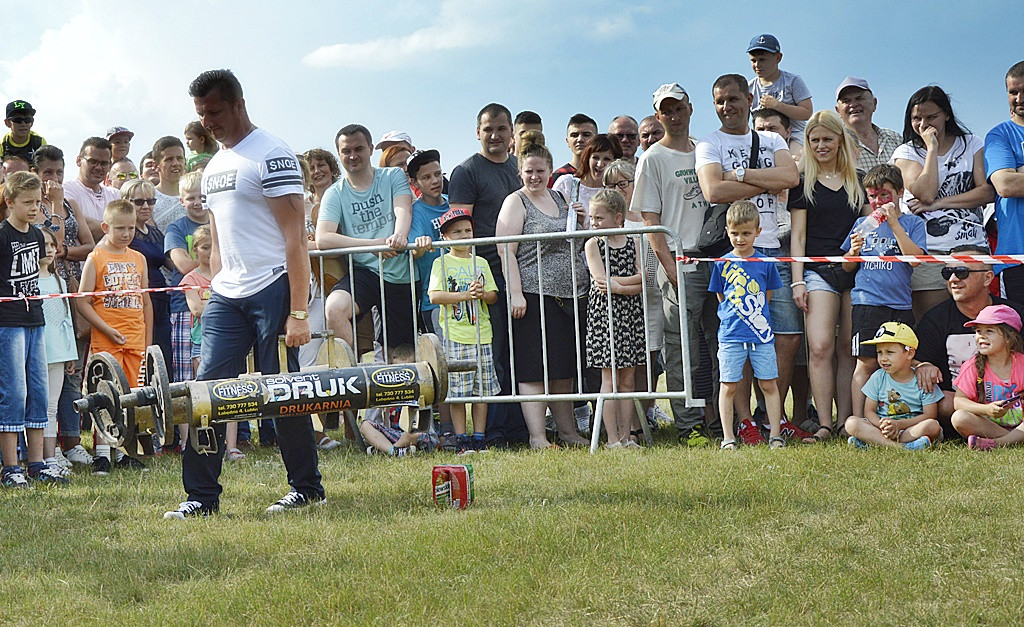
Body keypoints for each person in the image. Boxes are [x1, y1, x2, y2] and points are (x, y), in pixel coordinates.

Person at [165, 68, 323, 519]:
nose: (207, 122)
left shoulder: (271, 154)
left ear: (238, 104)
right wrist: (214, 288)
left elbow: (296, 238)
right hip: (227, 295)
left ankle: (307, 487)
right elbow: (214, 238)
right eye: (200, 114)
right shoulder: (213, 166)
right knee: (206, 392)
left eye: (214, 112)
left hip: (273, 286)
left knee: (282, 392)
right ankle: (200, 497)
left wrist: (298, 310)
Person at [696, 74, 801, 443]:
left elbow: (790, 176)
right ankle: (743, 421)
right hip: (733, 251)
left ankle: (772, 415)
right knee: (736, 337)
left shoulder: (771, 138)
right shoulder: (708, 143)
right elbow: (713, 189)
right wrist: (766, 181)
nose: (728, 107)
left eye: (734, 99)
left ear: (748, 99)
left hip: (772, 246)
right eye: (720, 101)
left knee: (784, 335)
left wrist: (739, 174)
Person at [496, 130, 590, 449]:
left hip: (569, 295)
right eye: (529, 170)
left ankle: (567, 432)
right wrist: (516, 293)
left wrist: (581, 221)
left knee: (563, 370)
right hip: (534, 295)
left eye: (540, 171)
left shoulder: (562, 199)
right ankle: (537, 436)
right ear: (520, 172)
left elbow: (575, 243)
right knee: (534, 368)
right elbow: (505, 250)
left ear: (550, 172)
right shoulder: (516, 202)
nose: (534, 176)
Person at [635, 82, 716, 446]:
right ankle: (688, 425)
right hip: (680, 262)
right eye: (665, 110)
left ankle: (720, 419)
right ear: (658, 115)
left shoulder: (704, 150)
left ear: (690, 109)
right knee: (683, 350)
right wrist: (670, 267)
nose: (673, 115)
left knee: (719, 346)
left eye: (678, 108)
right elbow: (651, 222)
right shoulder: (652, 158)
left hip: (716, 258)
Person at [449, 102, 528, 447]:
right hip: (484, 279)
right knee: (494, 355)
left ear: (512, 133)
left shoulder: (519, 167)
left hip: (521, 272)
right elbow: (457, 227)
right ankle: (494, 431)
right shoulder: (466, 171)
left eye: (501, 129)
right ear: (477, 132)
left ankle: (520, 426)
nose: (494, 135)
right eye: (488, 129)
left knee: (519, 351)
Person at [788, 110, 867, 440]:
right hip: (817, 271)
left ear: (839, 141)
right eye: (814, 139)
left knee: (849, 350)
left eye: (827, 139)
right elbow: (798, 236)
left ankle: (845, 421)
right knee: (819, 347)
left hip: (856, 271)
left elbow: (869, 225)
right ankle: (823, 423)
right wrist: (797, 279)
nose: (821, 145)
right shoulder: (801, 182)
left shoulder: (858, 181)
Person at [892, 86, 994, 320]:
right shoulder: (906, 152)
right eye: (917, 118)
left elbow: (987, 192)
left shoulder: (971, 143)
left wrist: (940, 204)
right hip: (930, 251)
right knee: (932, 323)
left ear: (946, 114)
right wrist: (932, 149)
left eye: (931, 117)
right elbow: (925, 193)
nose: (924, 124)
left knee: (978, 321)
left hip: (972, 247)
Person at [317, 123, 416, 355]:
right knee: (334, 308)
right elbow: (323, 238)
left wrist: (399, 235)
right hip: (365, 272)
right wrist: (373, 246)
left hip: (400, 272)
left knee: (399, 354)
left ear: (371, 148)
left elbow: (403, 209)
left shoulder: (393, 176)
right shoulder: (334, 193)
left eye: (358, 148)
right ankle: (351, 379)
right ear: (339, 154)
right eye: (346, 151)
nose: (352, 155)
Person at [842, 164, 927, 419]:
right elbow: (846, 266)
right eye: (872, 196)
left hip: (900, 304)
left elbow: (915, 259)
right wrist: (853, 252)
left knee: (902, 362)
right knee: (866, 362)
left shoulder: (913, 223)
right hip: (867, 302)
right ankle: (857, 419)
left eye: (884, 195)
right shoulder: (862, 223)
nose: (878, 201)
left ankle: (900, 415)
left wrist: (894, 224)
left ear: (900, 192)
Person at [913, 245, 1024, 440]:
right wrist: (923, 365)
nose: (953, 279)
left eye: (962, 272)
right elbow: (915, 360)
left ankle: (999, 438)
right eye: (947, 272)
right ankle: (1010, 438)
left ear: (987, 278)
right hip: (964, 404)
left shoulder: (1014, 315)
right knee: (941, 402)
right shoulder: (935, 319)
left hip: (1015, 402)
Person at [0, 171, 67, 486]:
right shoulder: (1, 236)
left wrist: (54, 206)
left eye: (38, 202)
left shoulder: (39, 236)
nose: (33, 208)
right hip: (8, 322)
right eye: (27, 202)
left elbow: (56, 243)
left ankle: (38, 463)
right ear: (9, 202)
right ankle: (11, 466)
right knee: (14, 392)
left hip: (35, 320)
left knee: (38, 390)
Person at [78, 199, 152, 475]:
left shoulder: (138, 258)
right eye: (120, 228)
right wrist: (106, 329)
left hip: (134, 339)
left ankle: (124, 452)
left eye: (131, 228)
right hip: (106, 341)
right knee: (104, 397)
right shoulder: (96, 258)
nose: (126, 234)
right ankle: (101, 454)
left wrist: (147, 339)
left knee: (131, 397)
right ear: (106, 227)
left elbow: (146, 301)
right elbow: (82, 302)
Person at [33, 145, 94, 466]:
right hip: (41, 289)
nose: (54, 178)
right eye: (48, 172)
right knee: (43, 373)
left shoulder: (70, 205)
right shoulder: (34, 207)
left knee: (72, 369)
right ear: (35, 173)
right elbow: (49, 241)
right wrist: (53, 203)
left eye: (59, 172)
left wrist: (65, 253)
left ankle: (71, 443)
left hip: (70, 287)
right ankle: (47, 446)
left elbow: (89, 245)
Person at [709, 201, 785, 450]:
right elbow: (721, 295)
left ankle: (775, 434)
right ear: (727, 231)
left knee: (768, 383)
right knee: (728, 385)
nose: (740, 239)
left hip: (762, 336)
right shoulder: (721, 263)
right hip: (731, 335)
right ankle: (728, 437)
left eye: (746, 233)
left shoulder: (765, 262)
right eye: (734, 233)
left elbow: (768, 295)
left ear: (758, 232)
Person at [428, 207, 500, 454]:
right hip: (456, 337)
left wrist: (483, 294)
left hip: (483, 334)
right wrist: (463, 295)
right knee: (458, 393)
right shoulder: (441, 262)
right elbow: (435, 296)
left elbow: (493, 296)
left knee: (482, 391)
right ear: (445, 237)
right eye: (456, 232)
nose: (463, 235)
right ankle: (461, 439)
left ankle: (479, 438)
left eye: (467, 230)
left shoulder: (480, 262)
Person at [605, 159, 668, 429]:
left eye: (623, 183)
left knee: (649, 360)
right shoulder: (608, 223)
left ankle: (644, 419)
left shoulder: (648, 216)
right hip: (621, 305)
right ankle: (626, 424)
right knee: (627, 364)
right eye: (610, 185)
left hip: (652, 297)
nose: (618, 190)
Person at [584, 189, 644, 449]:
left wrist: (619, 286)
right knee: (609, 379)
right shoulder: (593, 244)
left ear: (618, 217)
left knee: (627, 379)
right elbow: (600, 281)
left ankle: (626, 435)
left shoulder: (634, 241)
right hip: (604, 316)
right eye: (592, 218)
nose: (594, 223)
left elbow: (644, 279)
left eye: (599, 218)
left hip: (629, 314)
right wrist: (621, 285)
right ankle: (611, 438)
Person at [179, 225, 241, 459]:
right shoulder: (191, 279)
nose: (210, 251)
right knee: (202, 392)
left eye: (214, 246)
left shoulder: (227, 275)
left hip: (229, 339)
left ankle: (231, 445)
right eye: (205, 247)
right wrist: (223, 307)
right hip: (201, 341)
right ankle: (197, 442)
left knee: (230, 391)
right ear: (195, 250)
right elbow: (196, 309)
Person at [846, 323, 942, 450]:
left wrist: (898, 425)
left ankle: (874, 442)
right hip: (882, 429)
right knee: (852, 423)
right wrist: (884, 427)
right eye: (879, 352)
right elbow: (869, 411)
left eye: (889, 352)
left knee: (932, 426)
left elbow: (930, 415)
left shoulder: (922, 380)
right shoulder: (878, 377)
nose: (883, 358)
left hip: (910, 429)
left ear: (909, 353)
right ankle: (902, 447)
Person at [122, 179, 172, 404]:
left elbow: (170, 263)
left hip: (161, 300)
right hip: (137, 302)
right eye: (139, 201)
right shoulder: (125, 235)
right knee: (143, 361)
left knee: (163, 360)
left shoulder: (154, 232)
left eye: (150, 201)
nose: (146, 206)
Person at [950, 305, 1024, 449]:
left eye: (989, 331)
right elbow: (958, 402)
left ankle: (998, 444)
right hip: (989, 425)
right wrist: (986, 409)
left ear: (1010, 337)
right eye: (978, 331)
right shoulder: (972, 366)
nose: (981, 336)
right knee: (959, 418)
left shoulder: (1021, 364)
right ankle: (1013, 439)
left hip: (1021, 423)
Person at [164, 171, 209, 390]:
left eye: (202, 196)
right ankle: (186, 424)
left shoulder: (220, 225)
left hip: (220, 304)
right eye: (191, 198)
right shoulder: (177, 228)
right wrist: (214, 268)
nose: (198, 202)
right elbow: (182, 264)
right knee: (185, 369)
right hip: (184, 308)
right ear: (182, 201)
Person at [37, 228, 76, 476]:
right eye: (45, 245)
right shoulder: (29, 283)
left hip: (59, 352)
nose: (51, 250)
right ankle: (35, 456)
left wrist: (70, 351)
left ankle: (50, 457)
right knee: (35, 406)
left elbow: (67, 318)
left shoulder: (60, 281)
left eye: (53, 245)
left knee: (51, 406)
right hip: (36, 351)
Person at [986, 61, 1024, 302]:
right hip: (1017, 256)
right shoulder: (999, 135)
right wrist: (1012, 176)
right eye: (1013, 92)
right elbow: (1006, 185)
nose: (1019, 98)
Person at [359, 344, 439, 456]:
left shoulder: (421, 390)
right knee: (365, 426)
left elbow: (420, 428)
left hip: (417, 436)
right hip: (394, 434)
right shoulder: (387, 391)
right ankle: (395, 451)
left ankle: (389, 449)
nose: (404, 378)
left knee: (408, 435)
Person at [407, 149, 450, 335]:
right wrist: (420, 246)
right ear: (415, 182)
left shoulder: (453, 202)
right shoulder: (414, 212)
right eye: (426, 177)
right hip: (434, 301)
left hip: (467, 294)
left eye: (438, 174)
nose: (435, 181)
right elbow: (413, 252)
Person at [746, 34, 812, 154]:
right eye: (753, 60)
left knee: (796, 160)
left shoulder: (792, 81)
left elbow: (807, 112)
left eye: (762, 60)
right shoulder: (749, 88)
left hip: (793, 135)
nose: (757, 65)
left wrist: (778, 106)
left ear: (778, 58)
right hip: (761, 137)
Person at [833, 77, 901, 170]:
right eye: (846, 101)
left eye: (859, 98)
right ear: (838, 111)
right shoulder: (836, 144)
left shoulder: (895, 139)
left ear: (874, 103)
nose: (853, 104)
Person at [552, 134, 623, 217]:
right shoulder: (567, 183)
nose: (600, 164)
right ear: (587, 158)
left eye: (607, 159)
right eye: (595, 157)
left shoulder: (617, 190)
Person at [63, 136, 117, 241]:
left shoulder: (115, 195)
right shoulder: (67, 190)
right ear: (79, 161)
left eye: (104, 163)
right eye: (93, 161)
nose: (98, 167)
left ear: (110, 165)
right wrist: (116, 231)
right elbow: (87, 227)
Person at [151, 136, 188, 231]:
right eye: (169, 159)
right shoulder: (149, 200)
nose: (175, 163)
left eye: (179, 158)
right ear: (155, 166)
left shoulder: (197, 195)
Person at [550, 113, 597, 185]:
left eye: (586, 135)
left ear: (596, 139)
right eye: (574, 135)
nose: (580, 139)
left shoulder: (606, 175)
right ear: (567, 141)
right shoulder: (557, 177)